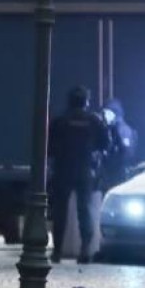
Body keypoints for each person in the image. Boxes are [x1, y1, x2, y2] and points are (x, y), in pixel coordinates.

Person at [47, 85, 111, 264]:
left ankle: (57, 251)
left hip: (63, 170)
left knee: (60, 212)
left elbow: (48, 146)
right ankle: (85, 251)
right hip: (85, 171)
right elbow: (105, 144)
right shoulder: (94, 121)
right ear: (86, 102)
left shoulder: (60, 121)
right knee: (85, 211)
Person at [100, 97, 138, 192]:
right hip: (111, 174)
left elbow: (126, 152)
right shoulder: (110, 129)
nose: (103, 116)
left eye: (106, 113)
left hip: (117, 174)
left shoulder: (122, 130)